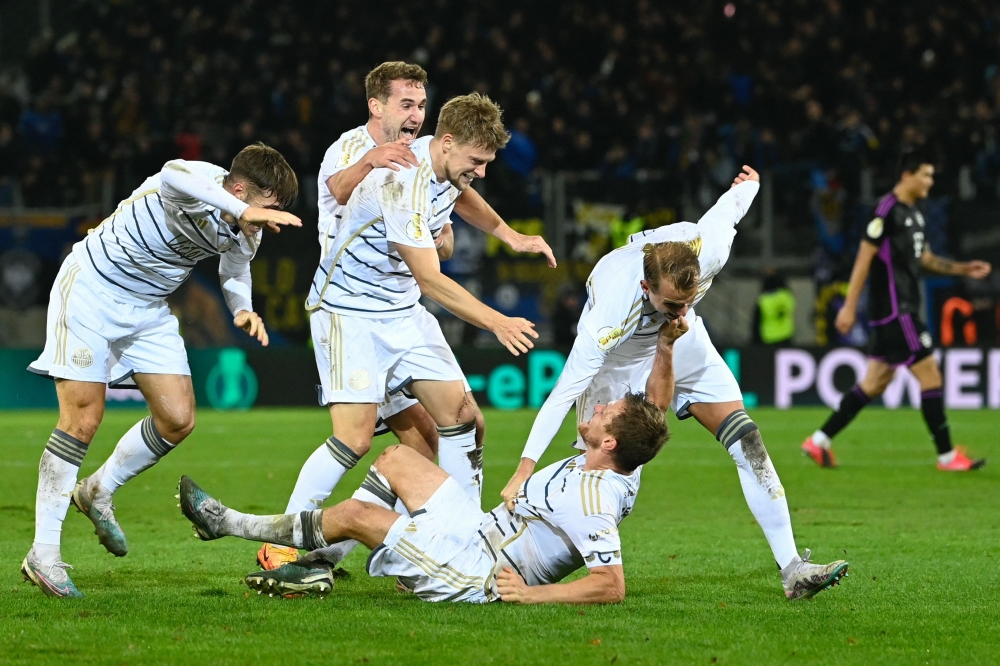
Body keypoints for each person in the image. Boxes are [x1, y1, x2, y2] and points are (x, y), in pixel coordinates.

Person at [258, 63, 557, 571]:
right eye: (477, 160)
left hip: (399, 310)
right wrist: (497, 322)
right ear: (447, 142)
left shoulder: (435, 162)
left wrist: (511, 236)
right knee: (353, 437)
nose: (482, 171)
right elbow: (431, 280)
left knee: (463, 421)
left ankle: (463, 546)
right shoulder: (396, 177)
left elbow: (461, 196)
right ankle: (282, 547)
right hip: (348, 312)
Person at [501, 166, 849, 600]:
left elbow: (728, 212)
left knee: (748, 440)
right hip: (621, 359)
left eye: (688, 300)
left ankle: (793, 568)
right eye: (671, 302)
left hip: (682, 344)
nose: (679, 309)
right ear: (646, 287)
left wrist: (751, 185)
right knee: (608, 472)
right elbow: (562, 394)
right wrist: (522, 469)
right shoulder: (609, 316)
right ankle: (517, 554)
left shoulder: (703, 258)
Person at [178, 317, 686, 604]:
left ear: (611, 443)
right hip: (477, 530)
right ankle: (321, 565)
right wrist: (664, 345)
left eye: (607, 413)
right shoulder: (613, 460)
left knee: (359, 516)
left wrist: (531, 597)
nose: (596, 408)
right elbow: (654, 410)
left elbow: (611, 586)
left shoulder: (597, 495)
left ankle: (227, 523)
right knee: (398, 457)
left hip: (479, 573)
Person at [22, 144, 301, 597]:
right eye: (268, 208)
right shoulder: (198, 183)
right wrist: (242, 209)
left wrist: (243, 309)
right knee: (83, 418)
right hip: (93, 287)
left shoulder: (249, 224)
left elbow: (236, 269)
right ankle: (44, 554)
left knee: (177, 418)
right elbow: (172, 174)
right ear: (239, 188)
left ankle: (97, 489)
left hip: (148, 308)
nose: (270, 220)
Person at [801, 153, 991, 470]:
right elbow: (864, 258)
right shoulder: (886, 211)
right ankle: (946, 456)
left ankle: (818, 441)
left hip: (900, 309)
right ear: (907, 175)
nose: (930, 182)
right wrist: (849, 306)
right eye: (926, 175)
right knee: (930, 374)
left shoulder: (914, 214)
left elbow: (925, 258)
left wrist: (962, 268)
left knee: (875, 381)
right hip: (895, 310)